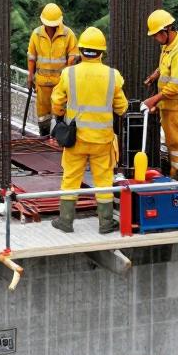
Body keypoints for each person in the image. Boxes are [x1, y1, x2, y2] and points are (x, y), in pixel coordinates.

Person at [49, 27, 128, 234]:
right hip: (102, 140)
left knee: (71, 178)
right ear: (101, 52)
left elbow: (56, 103)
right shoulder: (112, 76)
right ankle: (106, 223)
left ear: (81, 50)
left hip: (75, 138)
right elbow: (122, 107)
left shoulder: (69, 73)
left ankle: (65, 221)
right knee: (103, 180)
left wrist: (61, 116)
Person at [142, 9, 178, 180]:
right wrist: (155, 74)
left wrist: (153, 100)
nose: (155, 39)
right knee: (172, 141)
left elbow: (175, 86)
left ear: (166, 30)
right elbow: (166, 66)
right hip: (170, 105)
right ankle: (175, 172)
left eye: (156, 35)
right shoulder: (168, 46)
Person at [27, 2, 79, 137]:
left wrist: (68, 77)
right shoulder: (36, 34)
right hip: (42, 83)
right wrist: (30, 76)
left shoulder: (68, 34)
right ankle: (44, 136)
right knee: (43, 116)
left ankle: (59, 138)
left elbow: (73, 57)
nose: (51, 27)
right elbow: (31, 57)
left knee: (60, 113)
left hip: (60, 84)